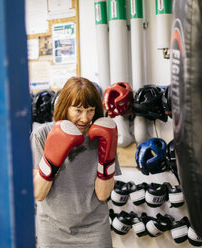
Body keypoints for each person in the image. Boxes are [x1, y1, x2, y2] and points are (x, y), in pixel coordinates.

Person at [31, 76, 121, 248]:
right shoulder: (42, 135)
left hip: (94, 230)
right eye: (78, 110)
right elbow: (39, 194)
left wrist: (107, 156)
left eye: (90, 110)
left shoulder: (103, 136)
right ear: (65, 107)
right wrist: (51, 161)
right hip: (53, 230)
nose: (85, 118)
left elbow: (103, 195)